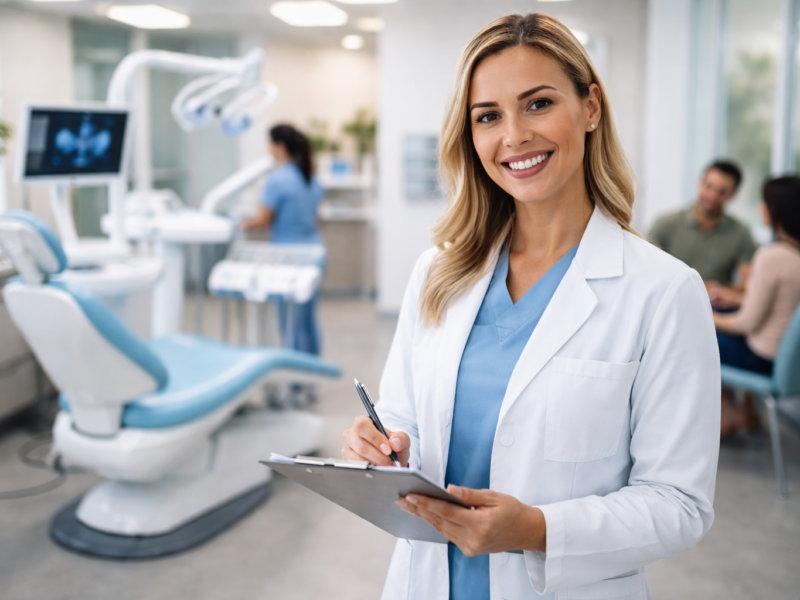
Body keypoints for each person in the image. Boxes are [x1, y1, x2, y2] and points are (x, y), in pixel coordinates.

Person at [342, 13, 719, 600]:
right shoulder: (438, 272)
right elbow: (404, 420)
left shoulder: (664, 291)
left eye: (538, 104)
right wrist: (379, 447)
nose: (513, 135)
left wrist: (537, 529)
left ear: (590, 107)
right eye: (488, 116)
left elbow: (680, 504)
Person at [714, 176, 800, 434]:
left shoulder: (772, 256)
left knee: (691, 332)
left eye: (763, 202)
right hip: (784, 359)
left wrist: (706, 315)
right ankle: (740, 411)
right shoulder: (794, 255)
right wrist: (735, 299)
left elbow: (746, 323)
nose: (759, 208)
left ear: (775, 210)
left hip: (760, 357)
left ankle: (727, 411)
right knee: (723, 313)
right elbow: (784, 307)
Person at [242, 124, 324, 355]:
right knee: (307, 319)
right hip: (316, 254)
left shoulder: (277, 180)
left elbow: (262, 220)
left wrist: (243, 222)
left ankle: (296, 385)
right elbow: (316, 216)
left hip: (290, 259)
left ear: (278, 147)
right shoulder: (311, 177)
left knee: (290, 323)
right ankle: (311, 378)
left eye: (269, 145)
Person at [648, 160, 756, 309]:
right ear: (699, 183)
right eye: (708, 186)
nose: (712, 196)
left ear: (733, 195)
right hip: (670, 303)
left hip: (714, 309)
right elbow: (646, 272)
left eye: (722, 192)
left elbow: (748, 284)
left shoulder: (741, 232)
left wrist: (722, 291)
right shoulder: (666, 224)